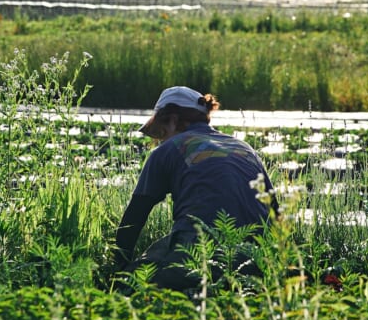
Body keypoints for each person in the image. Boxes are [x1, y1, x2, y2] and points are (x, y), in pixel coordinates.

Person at [113, 86, 277, 291]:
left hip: (200, 253)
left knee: (130, 287)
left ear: (172, 120)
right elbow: (276, 215)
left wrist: (117, 267)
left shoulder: (168, 150)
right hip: (259, 259)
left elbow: (134, 219)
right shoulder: (245, 149)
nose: (161, 139)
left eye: (161, 131)